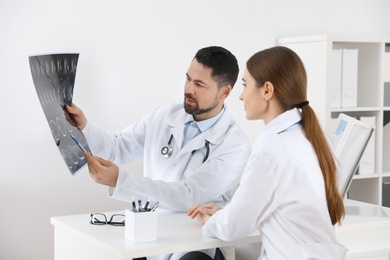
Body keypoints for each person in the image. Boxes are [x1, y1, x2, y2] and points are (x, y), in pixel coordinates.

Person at [66, 46, 251, 260]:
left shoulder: (234, 145)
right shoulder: (165, 115)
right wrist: (85, 127)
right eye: (188, 78)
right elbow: (118, 146)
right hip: (151, 236)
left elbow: (188, 196)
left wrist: (121, 181)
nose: (189, 89)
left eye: (199, 84)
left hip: (198, 246)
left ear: (224, 92)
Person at [187, 46, 347, 259]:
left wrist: (211, 221)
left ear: (267, 90)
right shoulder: (311, 136)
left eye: (245, 85)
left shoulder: (272, 148)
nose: (241, 96)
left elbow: (232, 227)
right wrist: (229, 214)